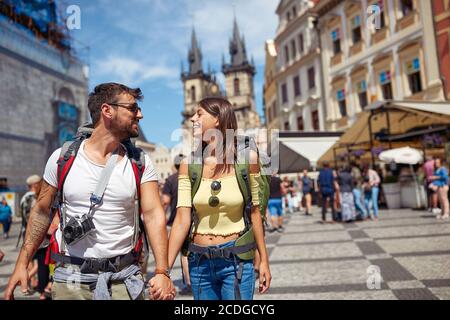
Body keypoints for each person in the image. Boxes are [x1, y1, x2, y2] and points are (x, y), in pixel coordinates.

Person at [4, 82, 175, 300]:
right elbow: (41, 212)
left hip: (123, 280)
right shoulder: (62, 158)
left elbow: (153, 215)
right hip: (70, 280)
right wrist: (22, 263)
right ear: (107, 110)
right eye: (132, 108)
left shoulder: (140, 161)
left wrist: (162, 271)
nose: (139, 114)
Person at [167, 97, 271, 300]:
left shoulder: (248, 160)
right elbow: (181, 218)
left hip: (236, 260)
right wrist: (164, 271)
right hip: (199, 263)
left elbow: (256, 213)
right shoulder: (189, 164)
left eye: (199, 113)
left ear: (217, 119)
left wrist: (264, 260)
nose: (192, 119)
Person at [161, 154, 191, 295]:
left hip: (175, 221)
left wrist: (162, 214)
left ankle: (189, 283)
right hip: (191, 218)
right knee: (188, 250)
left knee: (182, 253)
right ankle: (192, 280)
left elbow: (165, 200)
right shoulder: (192, 176)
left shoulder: (171, 179)